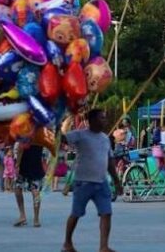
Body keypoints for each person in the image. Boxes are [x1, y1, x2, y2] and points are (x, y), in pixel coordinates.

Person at [61, 108, 122, 252]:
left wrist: (117, 181)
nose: (105, 121)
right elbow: (63, 138)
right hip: (83, 182)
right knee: (76, 214)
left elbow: (110, 161)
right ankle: (67, 243)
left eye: (104, 118)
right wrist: (63, 122)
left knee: (106, 212)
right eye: (102, 118)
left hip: (101, 182)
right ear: (92, 120)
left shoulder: (105, 138)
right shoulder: (80, 135)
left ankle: (103, 246)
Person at [13, 144, 45, 228]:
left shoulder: (25, 132)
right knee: (35, 191)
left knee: (18, 187)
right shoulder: (40, 132)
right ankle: (36, 219)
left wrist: (17, 164)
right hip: (36, 164)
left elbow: (21, 148)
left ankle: (22, 215)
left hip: (24, 164)